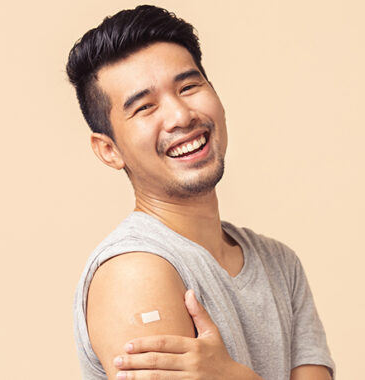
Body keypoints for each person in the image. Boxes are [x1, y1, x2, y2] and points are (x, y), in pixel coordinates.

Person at [67, 5, 335, 380]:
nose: (181, 115)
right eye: (145, 107)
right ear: (109, 149)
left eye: (189, 87)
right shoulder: (135, 271)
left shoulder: (280, 264)